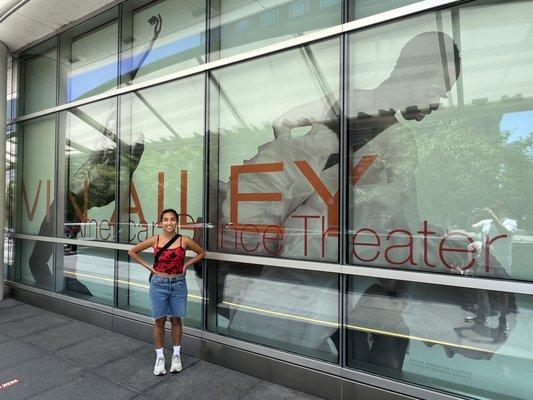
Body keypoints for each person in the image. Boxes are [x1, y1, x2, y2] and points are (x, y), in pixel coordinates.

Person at [128, 208, 205, 375]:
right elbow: (132, 251)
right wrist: (148, 266)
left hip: (178, 284)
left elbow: (201, 253)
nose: (169, 223)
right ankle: (160, 358)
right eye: (166, 220)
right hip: (158, 284)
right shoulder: (154, 240)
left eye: (172, 219)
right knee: (159, 321)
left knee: (176, 320)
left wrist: (186, 265)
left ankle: (176, 356)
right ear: (160, 223)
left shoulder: (184, 240)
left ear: (176, 222)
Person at [465, 202, 517, 331]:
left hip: (501, 262)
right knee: (481, 288)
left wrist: (493, 216)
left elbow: (504, 232)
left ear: (504, 209)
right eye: (492, 209)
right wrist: (471, 216)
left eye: (496, 209)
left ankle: (503, 319)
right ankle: (481, 315)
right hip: (485, 261)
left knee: (502, 291)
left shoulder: (510, 222)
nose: (493, 210)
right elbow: (469, 227)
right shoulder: (486, 222)